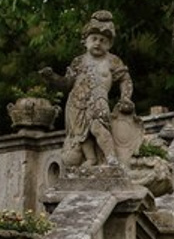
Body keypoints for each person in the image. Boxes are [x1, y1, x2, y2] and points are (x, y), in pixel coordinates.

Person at [41, 10, 134, 168]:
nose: (98, 43)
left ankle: (111, 158)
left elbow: (125, 80)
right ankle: (91, 159)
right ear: (85, 41)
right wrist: (52, 78)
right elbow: (67, 84)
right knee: (80, 134)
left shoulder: (113, 61)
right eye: (94, 39)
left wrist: (125, 97)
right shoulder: (78, 61)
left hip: (98, 99)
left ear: (109, 44)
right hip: (76, 102)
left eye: (103, 40)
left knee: (98, 127)